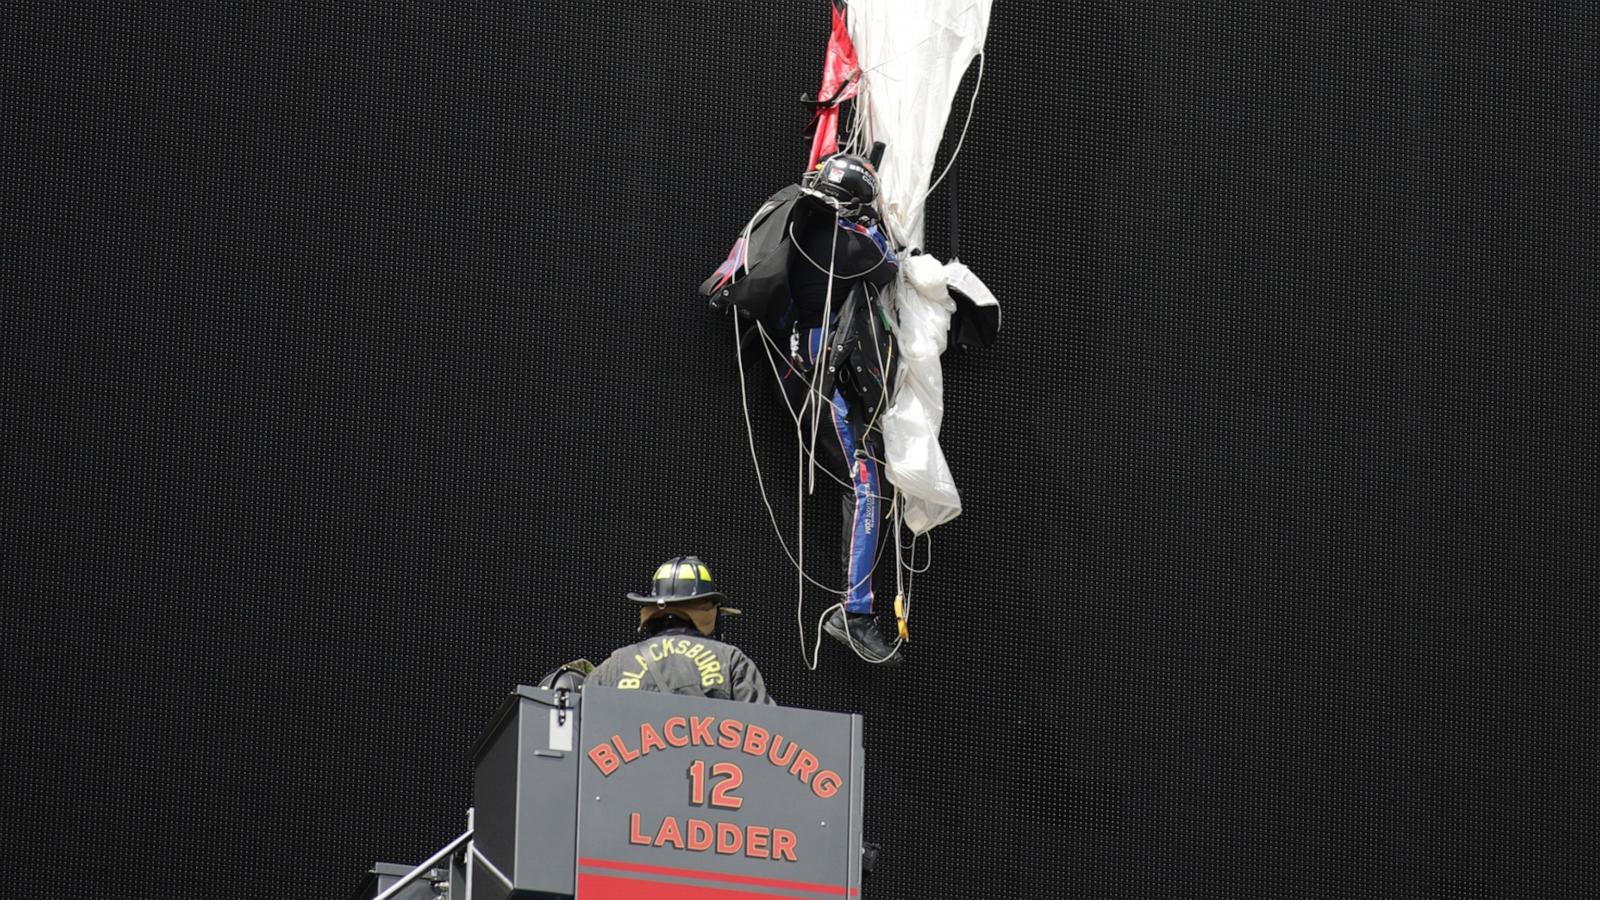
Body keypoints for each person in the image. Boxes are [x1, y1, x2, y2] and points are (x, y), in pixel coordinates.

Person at [700, 153, 906, 666]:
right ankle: (854, 614)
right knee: (863, 484)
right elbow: (888, 264)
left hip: (793, 370)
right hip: (821, 379)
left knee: (859, 475)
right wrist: (877, 224)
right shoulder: (842, 238)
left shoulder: (788, 215)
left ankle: (855, 611)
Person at [588, 556, 774, 704]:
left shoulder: (615, 665)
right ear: (709, 612)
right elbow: (766, 729)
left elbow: (584, 726)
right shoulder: (731, 660)